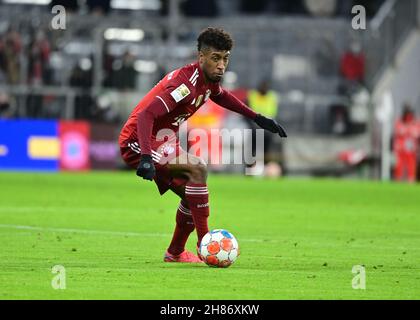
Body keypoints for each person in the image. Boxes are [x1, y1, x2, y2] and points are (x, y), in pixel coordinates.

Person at [119, 27, 287, 263]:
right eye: (215, 58)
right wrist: (146, 157)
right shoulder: (185, 84)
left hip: (164, 139)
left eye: (225, 59)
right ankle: (205, 244)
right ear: (201, 57)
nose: (221, 65)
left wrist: (258, 118)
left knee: (193, 193)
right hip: (139, 140)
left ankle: (175, 252)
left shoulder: (208, 82)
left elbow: (220, 95)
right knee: (198, 168)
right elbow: (146, 115)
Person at [393, 105, 419, 183]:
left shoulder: (415, 123)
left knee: (411, 164)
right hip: (401, 148)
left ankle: (411, 179)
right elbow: (399, 131)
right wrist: (408, 129)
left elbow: (416, 133)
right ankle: (398, 179)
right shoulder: (399, 121)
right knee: (399, 164)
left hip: (411, 148)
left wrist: (408, 129)